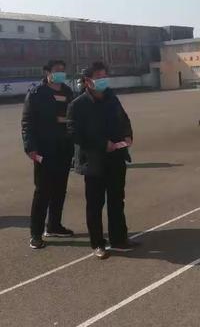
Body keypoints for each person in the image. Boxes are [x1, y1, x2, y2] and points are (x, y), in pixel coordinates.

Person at [67, 61, 138, 259]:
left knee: (117, 200)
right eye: (99, 77)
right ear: (88, 81)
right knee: (95, 204)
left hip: (116, 157)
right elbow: (74, 133)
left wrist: (128, 135)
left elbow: (124, 120)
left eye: (105, 76)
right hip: (94, 161)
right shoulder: (78, 105)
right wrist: (101, 144)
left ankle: (119, 239)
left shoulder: (111, 98)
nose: (103, 80)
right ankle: (98, 243)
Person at [22, 59, 75, 249]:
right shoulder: (37, 94)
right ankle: (35, 234)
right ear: (47, 73)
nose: (61, 73)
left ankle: (54, 226)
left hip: (64, 149)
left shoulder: (68, 92)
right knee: (42, 192)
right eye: (56, 70)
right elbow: (27, 123)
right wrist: (30, 147)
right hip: (44, 150)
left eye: (63, 70)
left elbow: (73, 120)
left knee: (60, 190)